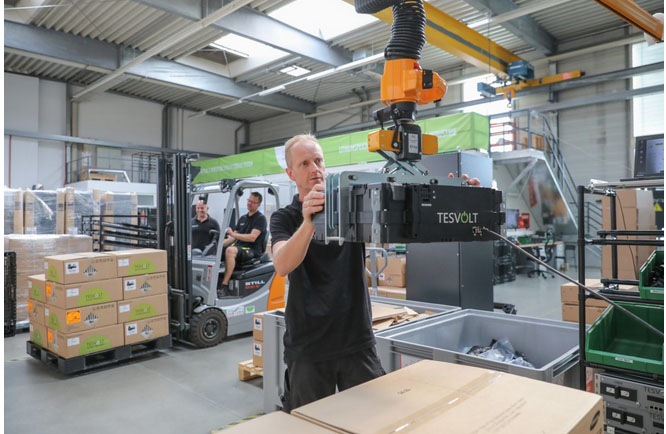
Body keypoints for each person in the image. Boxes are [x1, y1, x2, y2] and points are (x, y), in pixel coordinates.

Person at [270, 134, 481, 412]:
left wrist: (454, 198)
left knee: (373, 419)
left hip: (356, 340)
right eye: (304, 164)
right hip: (309, 346)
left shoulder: (351, 206)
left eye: (318, 161)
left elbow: (406, 217)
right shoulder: (285, 218)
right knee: (308, 423)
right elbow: (282, 264)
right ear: (291, 173)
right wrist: (309, 222)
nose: (315, 169)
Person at [218, 192, 267, 297]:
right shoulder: (242, 218)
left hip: (251, 250)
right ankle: (215, 282)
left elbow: (252, 237)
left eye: (253, 202)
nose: (249, 203)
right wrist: (219, 245)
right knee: (218, 250)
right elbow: (233, 237)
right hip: (240, 248)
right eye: (249, 201)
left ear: (259, 204)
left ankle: (224, 285)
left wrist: (233, 234)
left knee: (230, 250)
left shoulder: (260, 219)